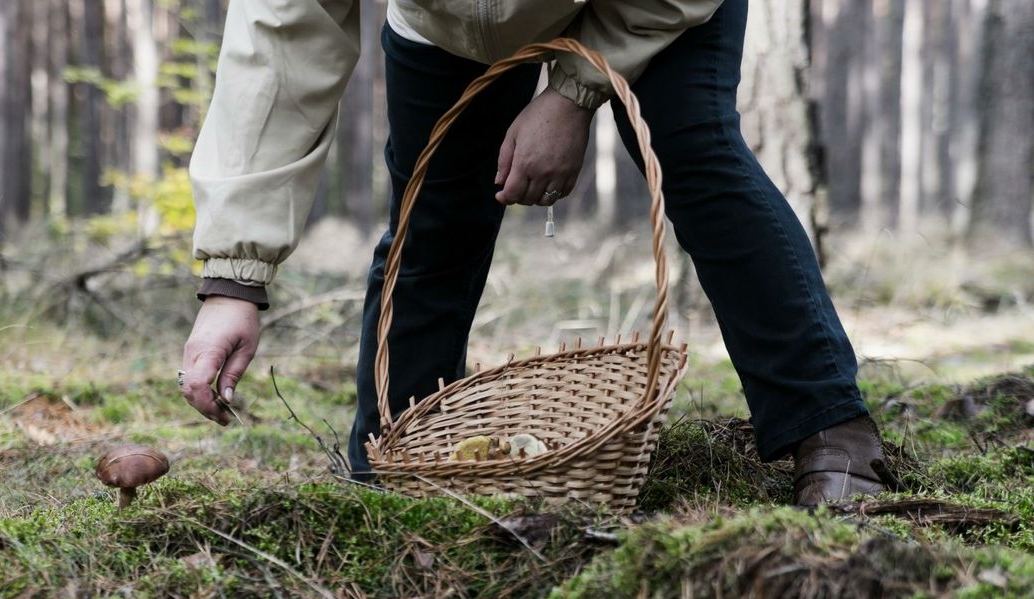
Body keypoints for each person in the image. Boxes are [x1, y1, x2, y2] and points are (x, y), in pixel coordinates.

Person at [179, 0, 889, 505]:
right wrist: (233, 278)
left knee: (692, 153)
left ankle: (829, 426)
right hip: (445, 23)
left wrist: (574, 94)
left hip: (653, 7)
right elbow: (279, 39)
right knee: (432, 227)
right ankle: (391, 473)